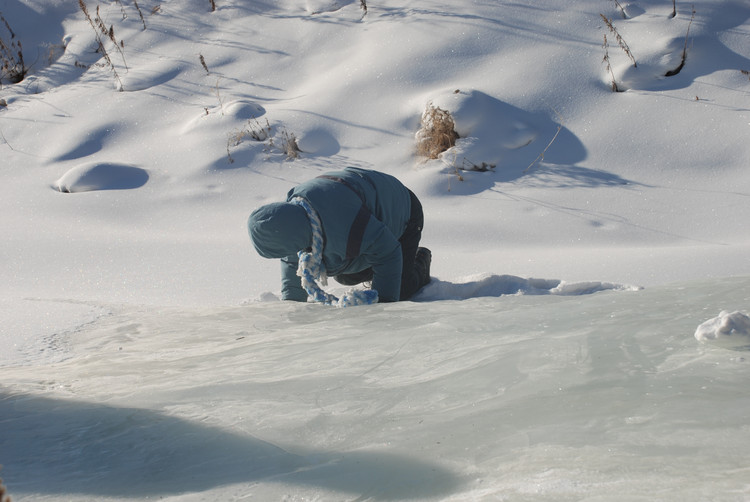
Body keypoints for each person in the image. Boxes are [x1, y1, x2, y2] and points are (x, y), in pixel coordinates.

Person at [248, 167, 431, 304]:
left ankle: (420, 260)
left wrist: (381, 308)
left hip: (403, 213)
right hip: (367, 210)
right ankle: (379, 269)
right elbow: (291, 263)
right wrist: (293, 312)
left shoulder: (343, 219)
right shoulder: (292, 220)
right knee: (346, 277)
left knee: (401, 289)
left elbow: (389, 252)